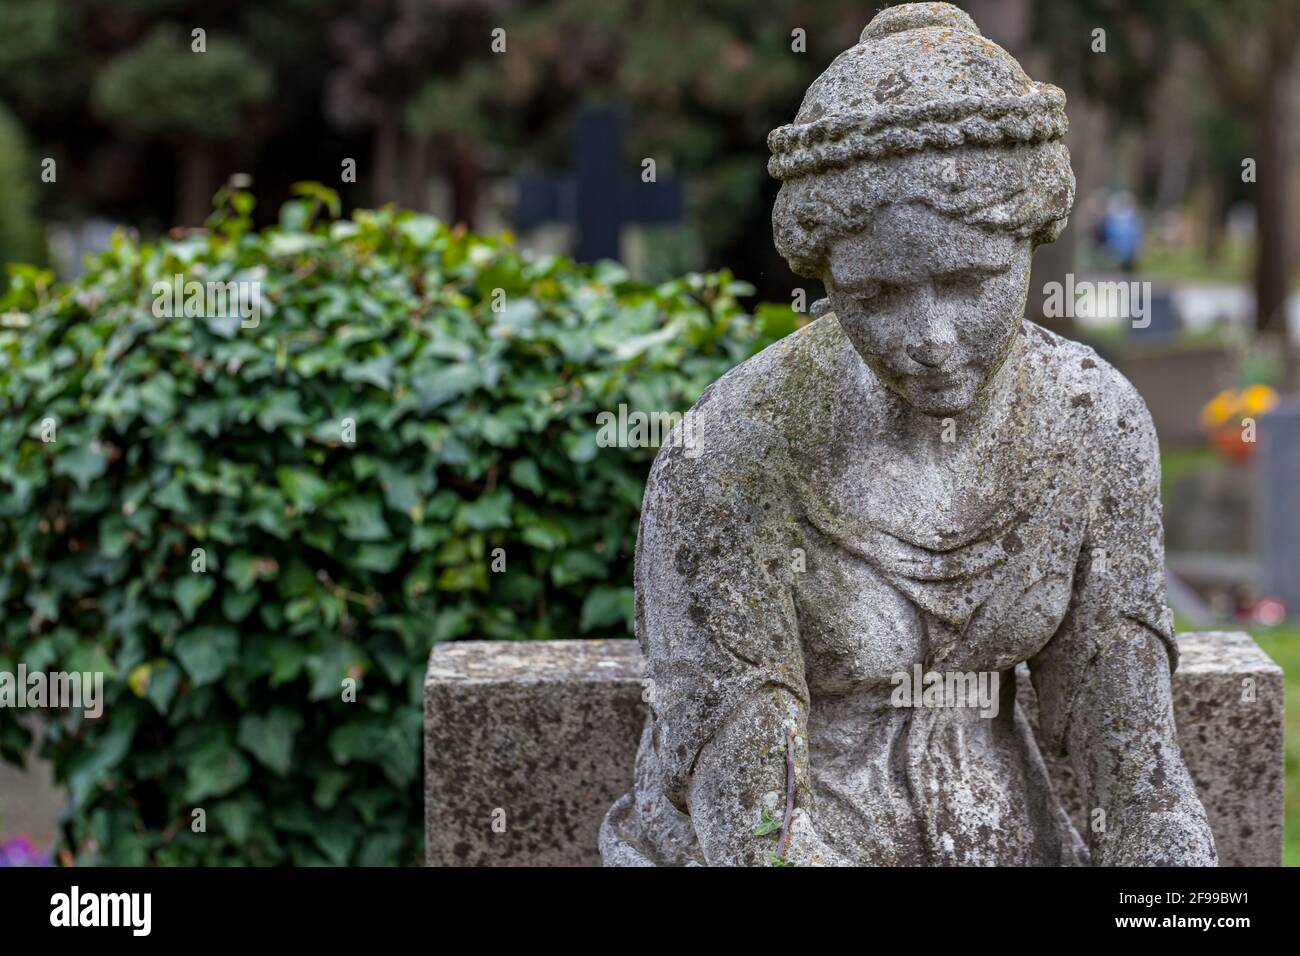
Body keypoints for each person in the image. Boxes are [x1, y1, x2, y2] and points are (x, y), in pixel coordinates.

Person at [599, 3, 1216, 867]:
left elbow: (1140, 782)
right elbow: (753, 828)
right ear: (827, 277)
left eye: (968, 282)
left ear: (1029, 242)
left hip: (1009, 841)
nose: (928, 339)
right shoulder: (736, 452)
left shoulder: (1094, 425)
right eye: (876, 296)